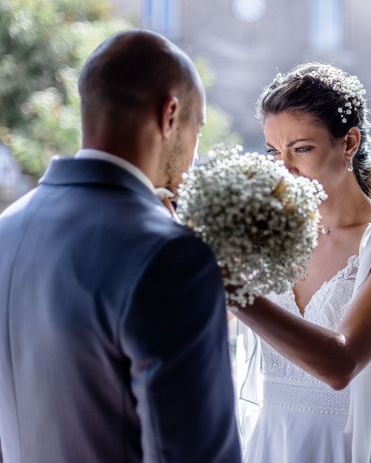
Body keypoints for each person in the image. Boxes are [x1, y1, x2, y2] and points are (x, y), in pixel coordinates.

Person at [0, 29, 241, 462]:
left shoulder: (6, 230)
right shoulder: (171, 256)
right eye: (197, 129)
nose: (195, 156)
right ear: (170, 115)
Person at [231, 63, 371, 463]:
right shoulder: (267, 233)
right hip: (271, 447)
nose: (284, 168)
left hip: (349, 450)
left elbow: (340, 365)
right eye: (274, 151)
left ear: (349, 143)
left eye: (301, 149)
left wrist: (232, 288)